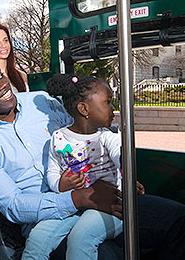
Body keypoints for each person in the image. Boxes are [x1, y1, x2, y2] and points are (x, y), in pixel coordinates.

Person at [0, 59, 185, 260]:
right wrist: (80, 198)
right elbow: (14, 205)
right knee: (107, 255)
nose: (2, 84)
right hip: (49, 219)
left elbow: (86, 135)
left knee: (180, 218)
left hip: (101, 190)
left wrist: (120, 177)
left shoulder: (42, 103)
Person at [23, 74, 125, 260]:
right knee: (37, 238)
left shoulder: (107, 136)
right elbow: (53, 170)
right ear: (84, 109)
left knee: (81, 237)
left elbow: (119, 155)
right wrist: (61, 185)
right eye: (108, 102)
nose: (113, 109)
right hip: (72, 203)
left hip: (107, 206)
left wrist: (126, 169)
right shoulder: (59, 138)